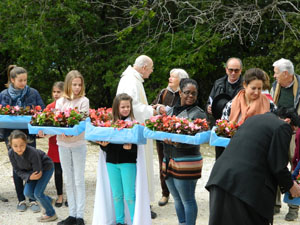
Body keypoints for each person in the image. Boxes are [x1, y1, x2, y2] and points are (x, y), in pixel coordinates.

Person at [206, 109, 300, 225]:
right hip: (245, 188)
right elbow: (278, 164)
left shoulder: (252, 119)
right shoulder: (282, 126)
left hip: (220, 178)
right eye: (292, 132)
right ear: (288, 121)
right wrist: (291, 186)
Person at [116, 55, 157, 218]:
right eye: (151, 68)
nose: (152, 71)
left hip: (137, 130)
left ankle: (142, 202)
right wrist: (151, 111)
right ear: (144, 67)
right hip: (133, 132)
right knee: (139, 166)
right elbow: (131, 107)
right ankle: (139, 205)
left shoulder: (134, 79)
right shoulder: (130, 81)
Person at [0, 65, 45, 212]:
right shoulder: (4, 95)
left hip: (29, 135)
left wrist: (40, 128)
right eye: (20, 80)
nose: (24, 83)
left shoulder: (33, 92)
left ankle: (32, 199)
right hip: (10, 136)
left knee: (33, 164)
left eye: (25, 80)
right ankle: (21, 200)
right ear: (12, 80)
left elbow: (42, 112)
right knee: (17, 166)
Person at [163, 78, 206, 225]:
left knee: (187, 199)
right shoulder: (170, 111)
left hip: (187, 160)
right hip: (168, 159)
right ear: (180, 92)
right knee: (177, 198)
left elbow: (199, 139)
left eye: (194, 93)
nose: (191, 96)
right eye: (187, 92)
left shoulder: (199, 114)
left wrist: (177, 143)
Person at [98, 93, 138, 225]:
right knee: (116, 195)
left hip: (128, 163)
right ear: (117, 108)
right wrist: (103, 146)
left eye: (128, 106)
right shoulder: (108, 124)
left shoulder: (134, 124)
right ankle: (120, 221)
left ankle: (133, 221)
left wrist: (131, 148)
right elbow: (106, 144)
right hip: (111, 163)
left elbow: (138, 147)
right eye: (123, 107)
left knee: (130, 196)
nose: (126, 109)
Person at [55, 70, 89, 225]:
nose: (77, 87)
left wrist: (71, 133)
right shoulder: (60, 101)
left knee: (78, 179)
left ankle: (80, 215)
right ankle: (72, 214)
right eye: (74, 84)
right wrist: (62, 132)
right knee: (68, 179)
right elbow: (56, 121)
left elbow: (82, 123)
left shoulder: (84, 101)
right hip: (62, 143)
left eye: (79, 84)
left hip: (78, 144)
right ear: (68, 84)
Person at [151, 68, 189, 207]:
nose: (170, 79)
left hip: (179, 137)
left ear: (181, 80)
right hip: (162, 134)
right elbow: (152, 106)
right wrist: (157, 108)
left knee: (180, 165)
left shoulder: (186, 93)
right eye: (170, 76)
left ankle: (182, 195)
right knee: (163, 164)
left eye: (173, 77)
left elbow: (186, 112)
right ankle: (165, 193)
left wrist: (166, 110)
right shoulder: (164, 92)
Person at [270, 58, 300, 220]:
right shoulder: (275, 87)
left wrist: (293, 120)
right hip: (278, 130)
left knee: (294, 168)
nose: (274, 76)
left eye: (276, 73)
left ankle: (294, 207)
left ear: (286, 74)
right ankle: (274, 204)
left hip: (295, 132)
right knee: (275, 164)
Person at [8, 130, 57, 222]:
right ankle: (48, 201)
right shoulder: (11, 153)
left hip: (45, 169)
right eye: (15, 146)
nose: (19, 149)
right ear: (11, 145)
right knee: (27, 193)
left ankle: (51, 214)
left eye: (22, 145)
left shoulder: (32, 153)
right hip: (31, 174)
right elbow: (17, 170)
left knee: (38, 193)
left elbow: (38, 172)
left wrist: (30, 176)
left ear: (26, 143)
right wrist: (29, 177)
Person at [206, 57, 243, 159]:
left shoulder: (245, 85)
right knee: (219, 158)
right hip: (220, 125)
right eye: (231, 70)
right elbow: (210, 100)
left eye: (236, 70)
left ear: (241, 71)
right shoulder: (218, 83)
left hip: (237, 126)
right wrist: (208, 107)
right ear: (226, 69)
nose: (233, 73)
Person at [45, 81, 67, 208]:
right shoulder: (49, 107)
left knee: (69, 172)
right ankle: (60, 196)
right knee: (57, 172)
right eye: (54, 92)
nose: (56, 94)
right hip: (54, 143)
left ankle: (71, 195)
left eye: (59, 92)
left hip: (67, 142)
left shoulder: (69, 106)